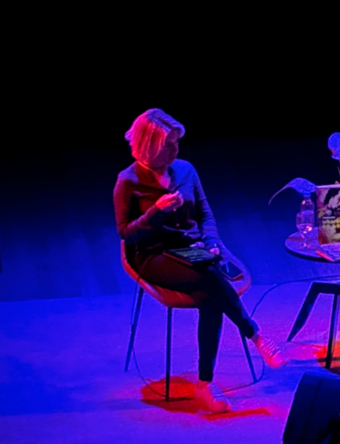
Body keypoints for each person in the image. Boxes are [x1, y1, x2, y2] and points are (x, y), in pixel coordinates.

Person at [113, 109, 280, 413]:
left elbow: (205, 213)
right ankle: (255, 335)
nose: (176, 150)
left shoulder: (185, 170)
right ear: (149, 145)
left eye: (177, 143)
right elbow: (127, 234)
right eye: (168, 145)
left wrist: (212, 243)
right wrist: (157, 211)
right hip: (153, 255)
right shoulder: (128, 181)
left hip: (193, 250)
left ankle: (205, 384)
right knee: (208, 274)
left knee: (209, 294)